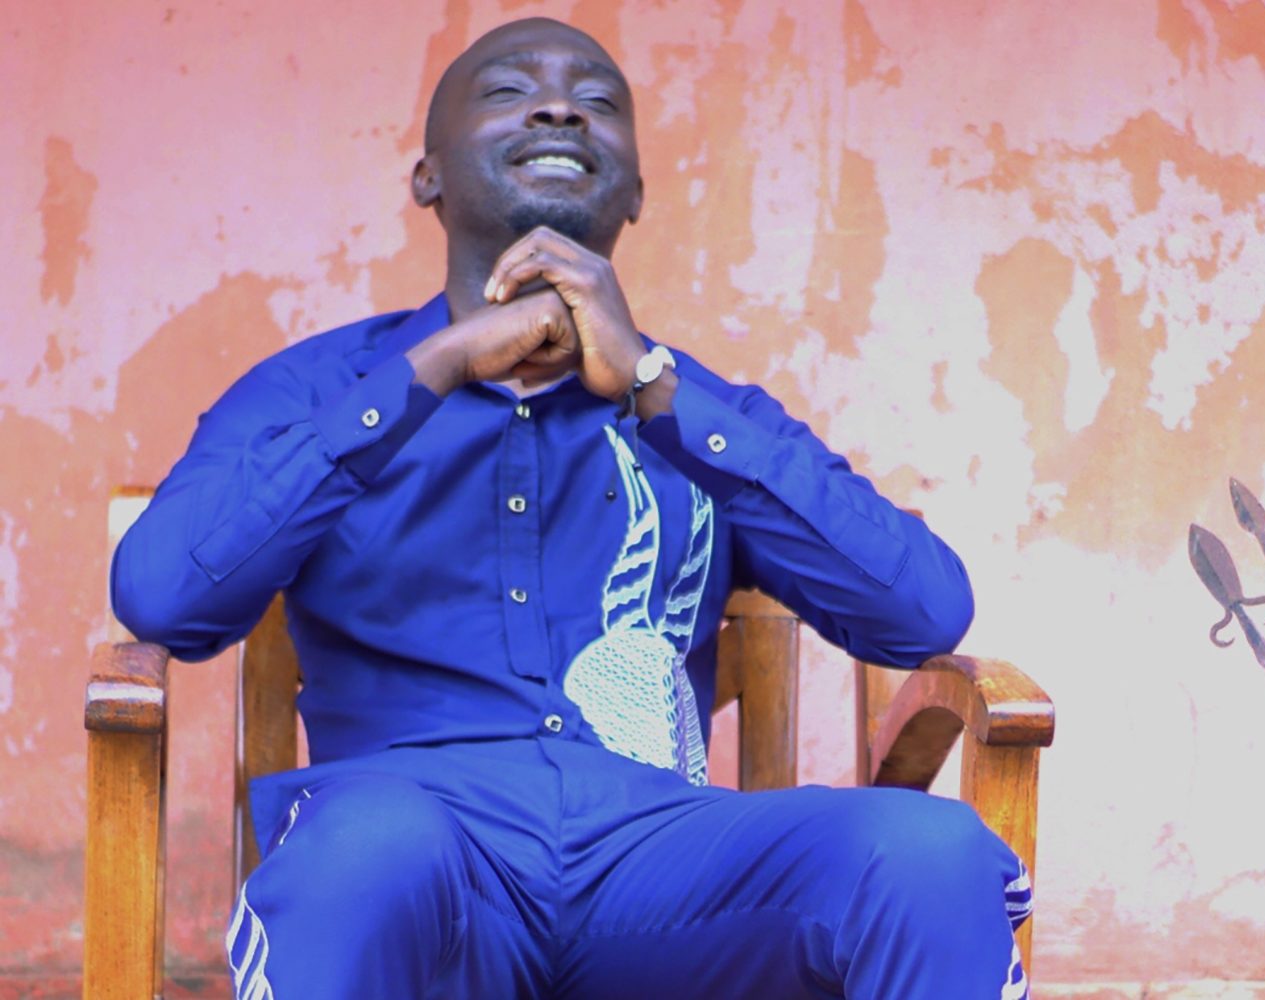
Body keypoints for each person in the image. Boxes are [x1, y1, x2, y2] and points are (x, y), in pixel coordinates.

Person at [111, 17, 1030, 999]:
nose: (558, 108)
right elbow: (165, 598)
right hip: (419, 856)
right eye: (510, 91)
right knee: (363, 851)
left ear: (634, 192)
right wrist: (434, 368)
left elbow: (921, 613)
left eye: (596, 101)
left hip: (668, 872)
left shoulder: (704, 410)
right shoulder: (315, 391)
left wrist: (656, 389)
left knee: (927, 853)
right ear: (426, 177)